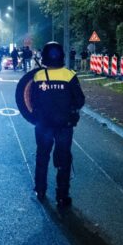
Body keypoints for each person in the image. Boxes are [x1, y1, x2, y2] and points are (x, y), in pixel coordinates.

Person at [31, 41, 85, 208]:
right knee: (63, 160)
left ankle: (40, 190)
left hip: (43, 126)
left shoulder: (38, 76)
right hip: (64, 126)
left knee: (42, 157)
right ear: (62, 55)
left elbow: (32, 101)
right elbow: (80, 100)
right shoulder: (69, 75)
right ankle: (62, 195)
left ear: (44, 56)